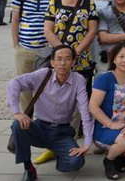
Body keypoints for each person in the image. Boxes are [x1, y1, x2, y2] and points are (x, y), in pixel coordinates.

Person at [6, 44, 92, 181]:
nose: (62, 63)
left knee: (75, 162)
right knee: (18, 125)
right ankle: (28, 168)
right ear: (52, 62)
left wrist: (87, 143)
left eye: (67, 59)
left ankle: (59, 153)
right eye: (59, 59)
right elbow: (13, 84)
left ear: (73, 62)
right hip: (40, 128)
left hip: (61, 132)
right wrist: (16, 112)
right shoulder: (43, 74)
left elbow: (84, 110)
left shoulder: (78, 80)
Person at [89, 42, 125, 179]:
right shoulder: (104, 78)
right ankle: (109, 160)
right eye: (121, 56)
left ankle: (118, 156)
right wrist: (111, 124)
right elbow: (93, 107)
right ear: (114, 59)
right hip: (105, 127)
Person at [11, 0, 57, 112]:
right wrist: (16, 45)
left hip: (46, 50)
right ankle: (26, 121)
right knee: (24, 90)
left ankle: (43, 121)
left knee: (46, 88)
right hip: (24, 49)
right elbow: (15, 20)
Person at [44, 0, 98, 94]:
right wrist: (64, 52)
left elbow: (92, 30)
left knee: (82, 96)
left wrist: (76, 52)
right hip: (59, 60)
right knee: (59, 96)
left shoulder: (89, 4)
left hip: (82, 59)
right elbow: (47, 30)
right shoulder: (54, 2)